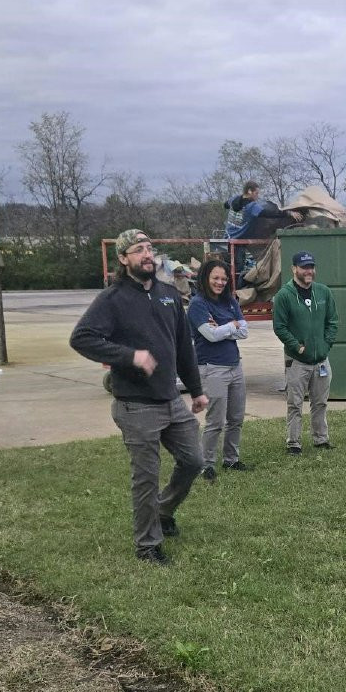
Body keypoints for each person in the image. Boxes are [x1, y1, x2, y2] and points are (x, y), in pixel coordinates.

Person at [70, 228, 209, 564]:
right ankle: (148, 545)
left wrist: (197, 390)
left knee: (194, 461)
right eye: (137, 250)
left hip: (171, 400)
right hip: (136, 405)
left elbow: (184, 348)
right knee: (146, 476)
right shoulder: (112, 298)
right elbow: (82, 338)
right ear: (123, 259)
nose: (147, 255)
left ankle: (163, 511)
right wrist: (130, 356)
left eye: (149, 248)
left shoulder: (168, 294)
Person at [187, 255, 252, 480]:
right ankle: (206, 465)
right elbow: (210, 336)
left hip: (235, 366)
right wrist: (231, 325)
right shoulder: (197, 305)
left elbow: (244, 331)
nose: (220, 282)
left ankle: (231, 460)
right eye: (216, 278)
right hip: (212, 368)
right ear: (205, 278)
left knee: (236, 418)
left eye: (224, 279)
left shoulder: (229, 301)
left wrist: (224, 327)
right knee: (215, 421)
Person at [271, 250, 338, 456]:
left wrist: (326, 346)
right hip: (297, 361)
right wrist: (296, 346)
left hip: (321, 360)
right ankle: (294, 443)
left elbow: (332, 322)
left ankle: (321, 439)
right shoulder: (284, 295)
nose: (308, 271)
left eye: (311, 267)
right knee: (295, 404)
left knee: (320, 402)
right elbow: (279, 327)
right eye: (304, 267)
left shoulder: (323, 292)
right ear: (294, 269)